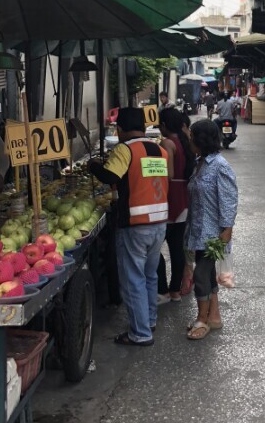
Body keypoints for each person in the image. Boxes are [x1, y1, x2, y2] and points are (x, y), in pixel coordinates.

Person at [89, 107, 170, 347]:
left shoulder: (126, 149)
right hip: (159, 222)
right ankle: (150, 320)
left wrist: (93, 166)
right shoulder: (161, 151)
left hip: (134, 224)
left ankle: (140, 333)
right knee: (149, 275)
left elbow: (109, 177)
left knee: (133, 279)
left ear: (120, 129)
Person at [184, 119, 238, 340]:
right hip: (197, 230)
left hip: (212, 235)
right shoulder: (201, 162)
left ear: (200, 139)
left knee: (201, 276)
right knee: (206, 274)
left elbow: (229, 200)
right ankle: (213, 317)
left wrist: (227, 230)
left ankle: (202, 320)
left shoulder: (220, 166)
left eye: (191, 136)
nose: (189, 140)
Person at [156, 109, 194, 305]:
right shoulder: (185, 141)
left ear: (164, 125)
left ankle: (162, 290)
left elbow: (168, 173)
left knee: (154, 248)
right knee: (177, 247)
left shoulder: (167, 143)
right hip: (184, 197)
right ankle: (175, 291)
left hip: (170, 197)